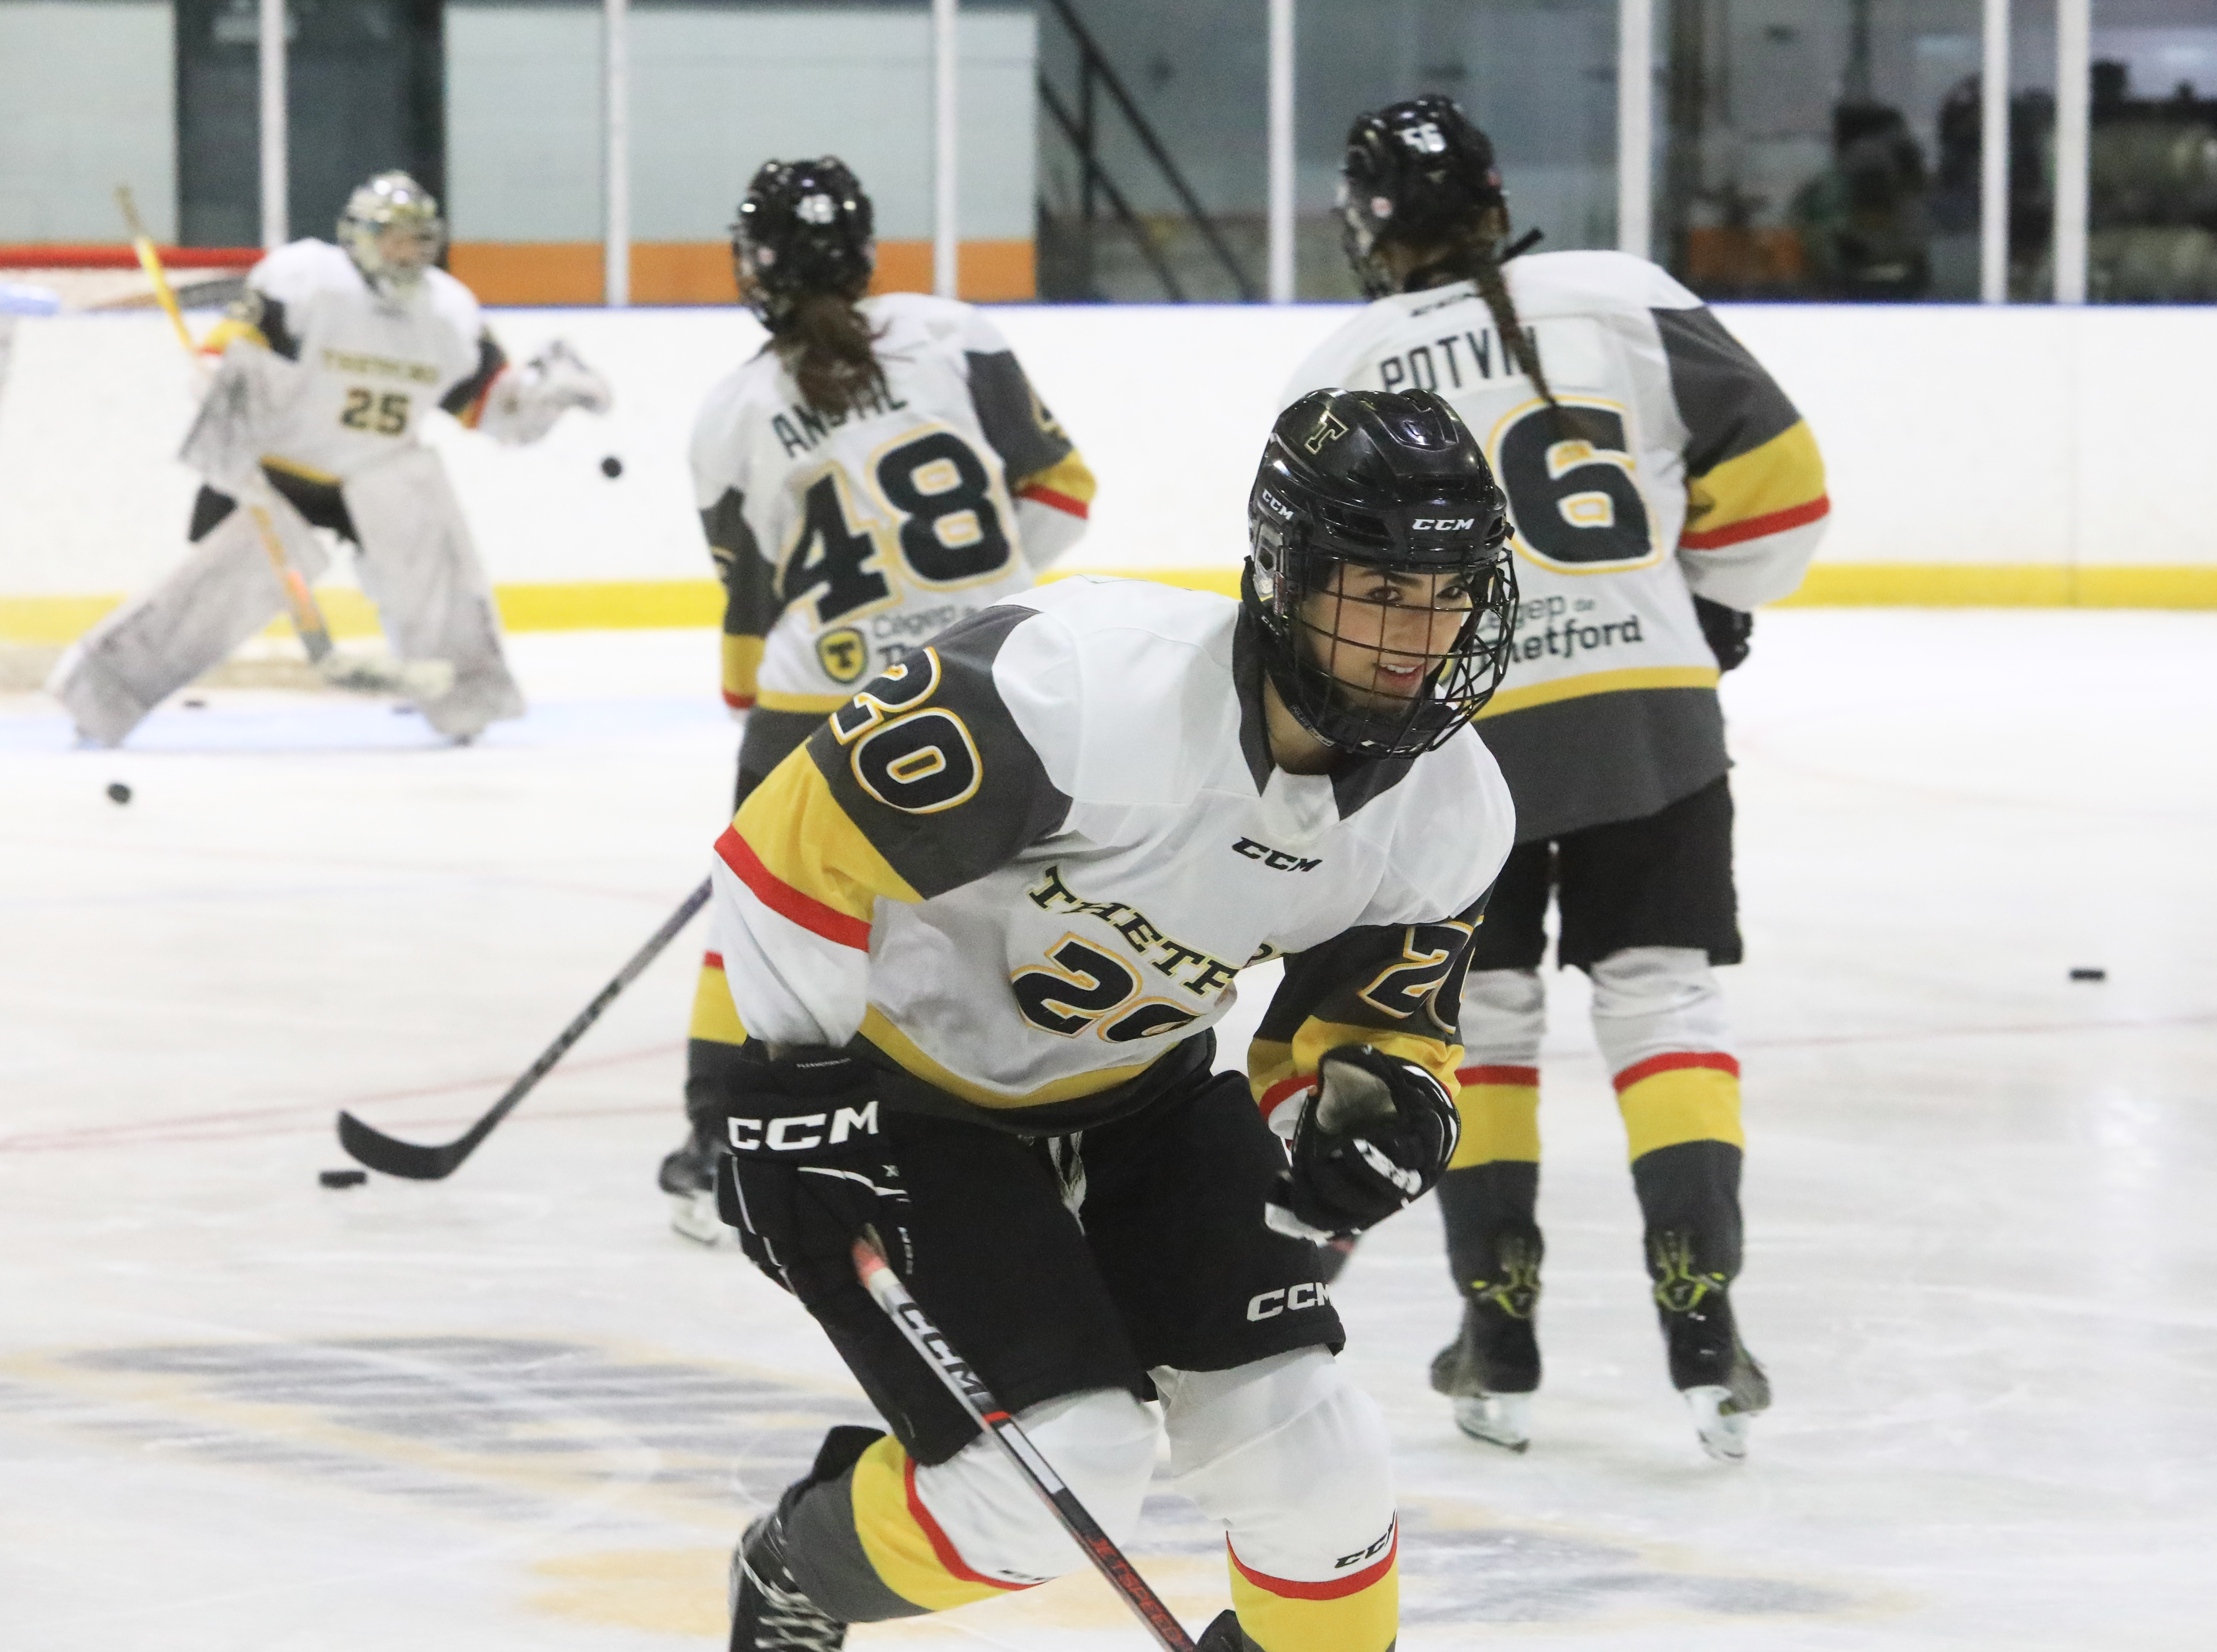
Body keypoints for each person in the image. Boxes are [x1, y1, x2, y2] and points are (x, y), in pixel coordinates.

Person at [697, 388, 1518, 1652]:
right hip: (906, 1104)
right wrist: (784, 1088)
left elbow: (1362, 1028)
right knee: (1054, 1483)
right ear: (1287, 575)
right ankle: (803, 1566)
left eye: (1448, 590)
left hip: (1147, 1099)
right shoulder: (1082, 685)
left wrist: (1371, 1108)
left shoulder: (1451, 807)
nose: (1420, 634)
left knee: (1320, 1468)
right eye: (1380, 590)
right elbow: (788, 848)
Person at [1281, 96, 1830, 1462]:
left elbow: (1317, 595)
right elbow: (1783, 487)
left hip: (1465, 738)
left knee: (1497, 1020)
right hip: (1653, 716)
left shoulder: (1352, 356)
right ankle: (1705, 1330)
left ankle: (1499, 1329)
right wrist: (1702, 609)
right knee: (1663, 999)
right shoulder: (1620, 295)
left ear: (1367, 224)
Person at [658, 157, 1096, 1242]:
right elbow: (1060, 492)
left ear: (753, 265)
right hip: (994, 686)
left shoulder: (732, 411)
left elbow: (750, 608)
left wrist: (753, 700)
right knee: (1001, 908)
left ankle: (719, 1141)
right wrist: (974, 611)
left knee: (758, 917)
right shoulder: (955, 335)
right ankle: (1049, 1129)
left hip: (815, 704)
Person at [48, 171, 611, 746]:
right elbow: (235, 347)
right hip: (278, 471)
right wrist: (216, 372)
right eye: (394, 237)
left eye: (419, 239)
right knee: (208, 599)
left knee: (436, 570)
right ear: (357, 236)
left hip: (378, 470)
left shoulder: (447, 311)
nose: (407, 252)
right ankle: (101, 695)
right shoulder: (310, 281)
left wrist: (547, 397)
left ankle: (465, 700)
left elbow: (490, 407)